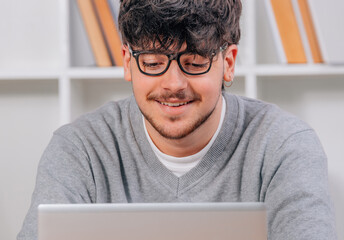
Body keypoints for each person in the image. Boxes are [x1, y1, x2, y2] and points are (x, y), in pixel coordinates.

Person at [17, 0, 337, 239]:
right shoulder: (80, 150)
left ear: (228, 62)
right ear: (128, 62)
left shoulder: (284, 145)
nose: (173, 84)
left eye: (194, 62)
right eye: (154, 62)